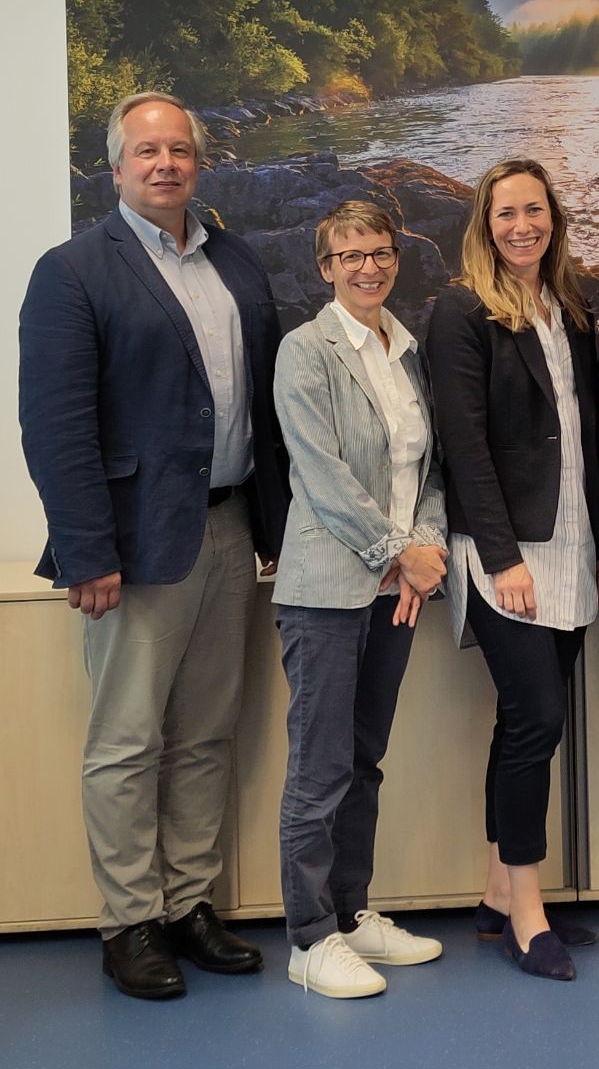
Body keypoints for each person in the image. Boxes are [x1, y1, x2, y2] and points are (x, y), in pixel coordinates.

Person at [17, 91, 289, 1000]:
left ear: (198, 163)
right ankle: (129, 921)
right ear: (116, 166)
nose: (165, 164)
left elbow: (264, 411)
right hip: (132, 547)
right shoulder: (73, 271)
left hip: (227, 530)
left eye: (180, 150)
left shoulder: (237, 265)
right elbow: (54, 426)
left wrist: (275, 531)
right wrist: (87, 549)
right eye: (147, 152)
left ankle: (188, 906)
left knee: (206, 735)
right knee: (128, 742)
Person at [427, 158, 599, 982]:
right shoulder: (461, 311)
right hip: (506, 553)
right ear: (484, 223)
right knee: (535, 720)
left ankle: (498, 894)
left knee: (527, 724)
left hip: (571, 541)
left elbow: (580, 437)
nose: (521, 226)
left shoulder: (568, 307)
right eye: (505, 213)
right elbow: (462, 443)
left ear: (553, 219)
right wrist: (499, 559)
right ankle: (529, 918)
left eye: (533, 211)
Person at [272, 200, 449, 999]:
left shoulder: (406, 349)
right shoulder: (303, 352)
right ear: (324, 268)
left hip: (396, 590)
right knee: (319, 770)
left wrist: (428, 550)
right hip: (328, 591)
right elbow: (322, 475)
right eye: (349, 256)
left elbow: (426, 470)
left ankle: (351, 913)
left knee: (364, 760)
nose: (368, 266)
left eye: (379, 252)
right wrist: (395, 554)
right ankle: (308, 938)